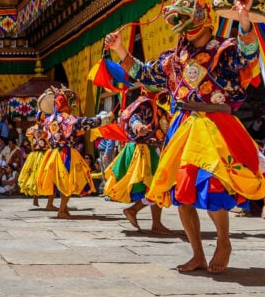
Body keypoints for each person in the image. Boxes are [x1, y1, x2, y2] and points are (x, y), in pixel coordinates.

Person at [105, 0, 265, 273]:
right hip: (183, 125)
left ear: (204, 17)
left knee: (212, 185)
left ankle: (224, 240)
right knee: (182, 192)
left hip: (215, 124)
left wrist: (243, 19)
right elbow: (143, 73)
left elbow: (249, 55)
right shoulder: (173, 59)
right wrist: (119, 49)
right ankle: (197, 253)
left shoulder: (225, 49)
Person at [102, 91, 173, 234]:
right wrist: (139, 127)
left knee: (155, 186)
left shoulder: (161, 107)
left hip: (153, 149)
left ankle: (155, 223)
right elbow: (134, 118)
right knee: (155, 186)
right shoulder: (144, 104)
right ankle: (134, 210)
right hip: (146, 150)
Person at [36, 87, 112, 218]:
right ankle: (61, 210)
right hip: (65, 153)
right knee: (68, 179)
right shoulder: (67, 119)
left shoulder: (49, 120)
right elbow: (84, 123)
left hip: (52, 153)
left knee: (59, 180)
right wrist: (104, 118)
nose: (73, 106)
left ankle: (63, 209)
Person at [18, 113, 48, 207]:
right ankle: (50, 203)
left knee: (35, 175)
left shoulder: (31, 129)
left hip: (34, 155)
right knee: (47, 175)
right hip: (45, 154)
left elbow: (31, 144)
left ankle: (36, 198)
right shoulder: (47, 128)